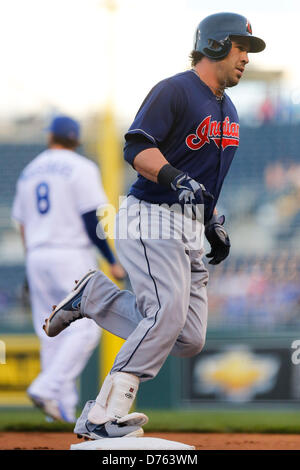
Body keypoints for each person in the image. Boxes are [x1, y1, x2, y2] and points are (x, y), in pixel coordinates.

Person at [43, 12, 266, 438]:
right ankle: (102, 414)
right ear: (216, 45)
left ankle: (93, 295)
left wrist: (212, 220)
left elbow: (204, 181)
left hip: (186, 227)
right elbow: (136, 147)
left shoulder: (229, 109)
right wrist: (173, 177)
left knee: (186, 338)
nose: (246, 58)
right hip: (151, 216)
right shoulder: (176, 89)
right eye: (241, 47)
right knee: (164, 314)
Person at [12, 115, 125, 422]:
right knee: (86, 328)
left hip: (37, 254)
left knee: (49, 329)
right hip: (70, 254)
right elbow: (91, 220)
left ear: (51, 137)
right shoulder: (81, 167)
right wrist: (111, 259)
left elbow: (21, 223)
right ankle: (48, 388)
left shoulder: (29, 171)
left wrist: (32, 260)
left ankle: (59, 410)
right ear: (76, 140)